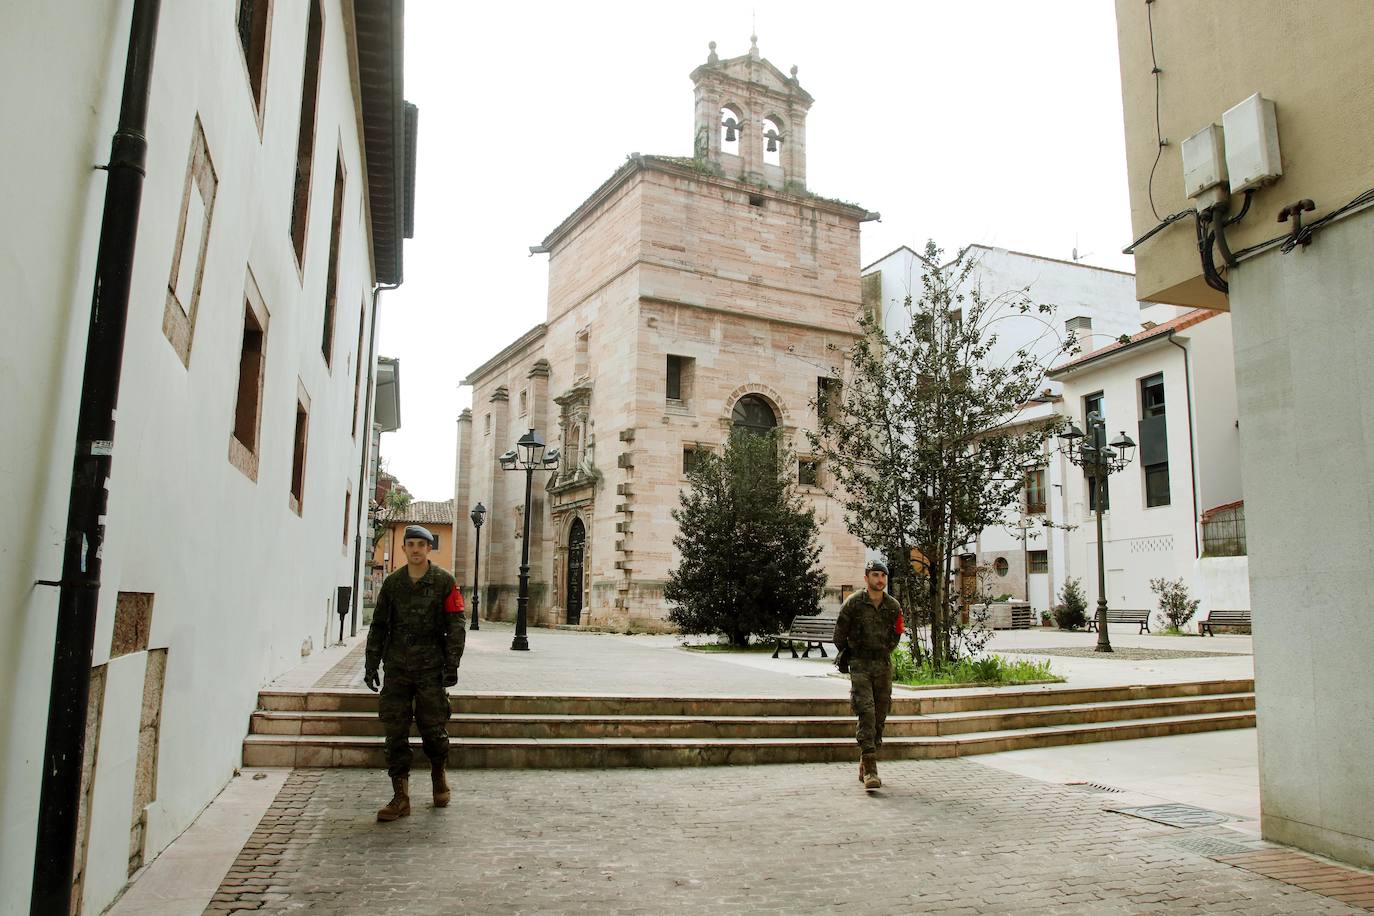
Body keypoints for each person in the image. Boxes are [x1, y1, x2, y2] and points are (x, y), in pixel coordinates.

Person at [364, 524, 466, 821]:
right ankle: (400, 796)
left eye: (421, 545)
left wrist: (452, 664)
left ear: (429, 549)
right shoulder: (393, 584)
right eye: (411, 544)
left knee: (433, 728)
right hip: (396, 665)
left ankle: (438, 773)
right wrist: (372, 664)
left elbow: (456, 625)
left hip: (430, 667)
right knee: (395, 731)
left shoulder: (444, 582)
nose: (416, 550)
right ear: (404, 548)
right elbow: (379, 625)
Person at [833, 559, 904, 790]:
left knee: (881, 714)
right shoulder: (853, 603)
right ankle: (871, 768)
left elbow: (897, 633)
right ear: (866, 578)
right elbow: (839, 635)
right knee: (866, 712)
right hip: (860, 664)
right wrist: (851, 654)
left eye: (883, 576)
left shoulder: (893, 606)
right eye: (875, 575)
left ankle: (865, 761)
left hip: (882, 664)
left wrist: (884, 650)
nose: (880, 580)